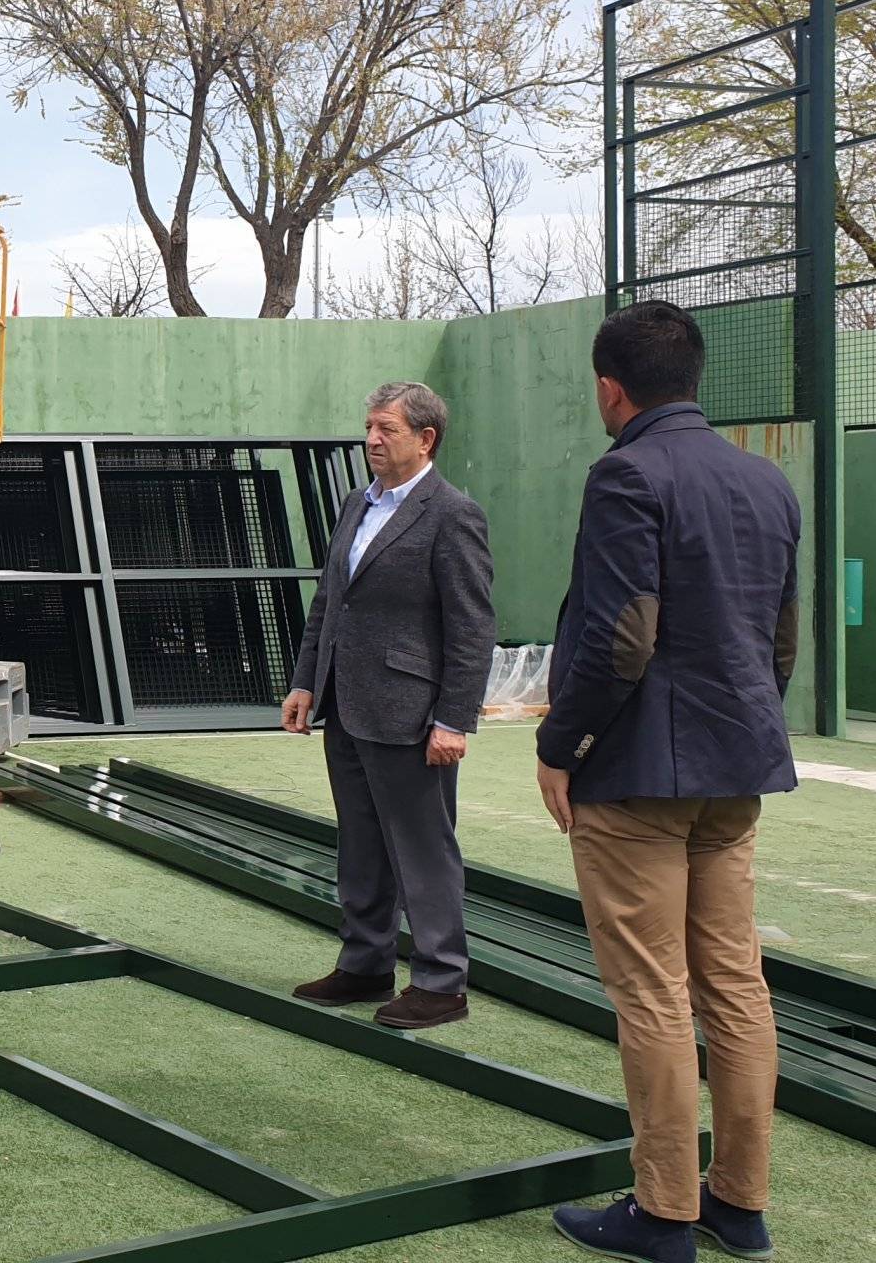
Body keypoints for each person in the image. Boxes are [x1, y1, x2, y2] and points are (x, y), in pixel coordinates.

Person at [540, 301, 796, 1263]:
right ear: (693, 378)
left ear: (612, 388)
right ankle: (740, 1202)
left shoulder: (626, 474)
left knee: (652, 997)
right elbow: (780, 640)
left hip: (640, 773)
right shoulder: (766, 481)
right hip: (737, 771)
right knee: (736, 988)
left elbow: (621, 637)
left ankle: (664, 1214)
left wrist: (561, 745)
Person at [281, 381, 494, 1031]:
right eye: (370, 427)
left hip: (412, 713)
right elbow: (330, 601)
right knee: (362, 844)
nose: (372, 439)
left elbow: (472, 625)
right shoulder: (357, 503)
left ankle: (440, 983)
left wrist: (454, 718)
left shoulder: (452, 513)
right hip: (347, 705)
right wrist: (305, 682)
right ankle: (366, 962)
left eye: (386, 430)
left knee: (425, 849)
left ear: (425, 439)